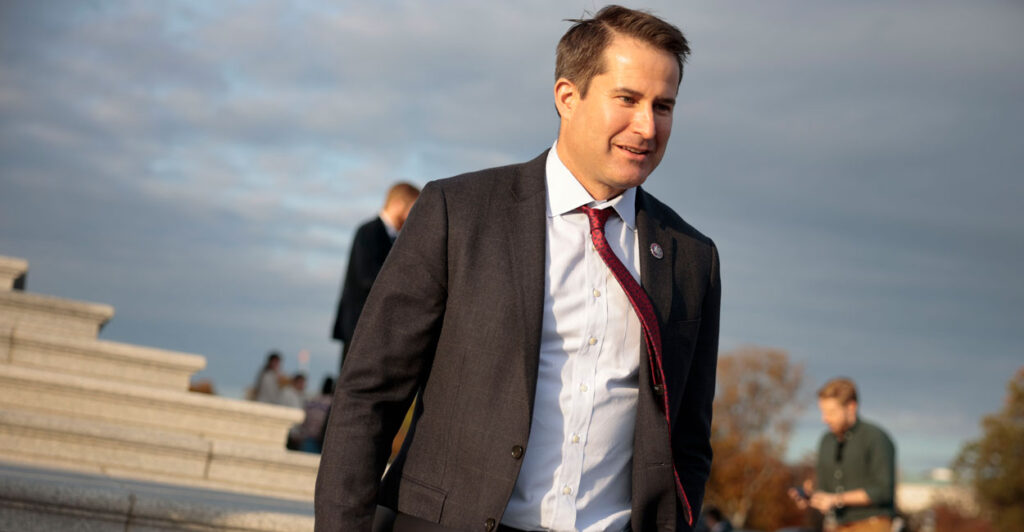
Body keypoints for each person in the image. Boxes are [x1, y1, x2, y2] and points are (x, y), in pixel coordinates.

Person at [315, 5, 720, 532]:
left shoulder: (692, 257)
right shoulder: (455, 212)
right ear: (568, 98)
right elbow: (368, 395)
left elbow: (688, 436)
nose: (647, 126)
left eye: (663, 106)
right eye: (627, 98)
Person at [331, 182, 420, 370]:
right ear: (398, 204)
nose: (415, 216)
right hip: (360, 325)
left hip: (380, 328)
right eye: (413, 208)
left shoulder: (399, 239)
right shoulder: (368, 231)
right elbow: (367, 277)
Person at [788, 378, 896, 532]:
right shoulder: (826, 441)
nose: (824, 419)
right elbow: (825, 490)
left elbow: (882, 491)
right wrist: (810, 496)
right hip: (836, 526)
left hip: (872, 524)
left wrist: (837, 499)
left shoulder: (875, 438)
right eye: (823, 412)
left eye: (831, 412)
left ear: (851, 407)